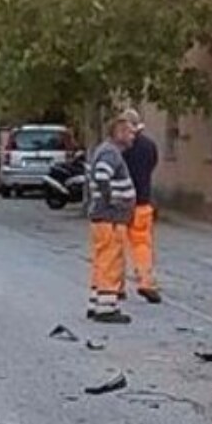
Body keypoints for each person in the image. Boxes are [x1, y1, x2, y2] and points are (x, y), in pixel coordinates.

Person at [87, 114, 137, 324]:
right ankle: (106, 308)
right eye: (129, 132)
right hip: (111, 218)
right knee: (111, 261)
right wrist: (114, 201)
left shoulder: (105, 150)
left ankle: (96, 301)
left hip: (103, 217)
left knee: (101, 261)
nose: (133, 136)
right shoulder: (110, 153)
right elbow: (101, 176)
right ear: (118, 133)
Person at [120, 109, 162, 304]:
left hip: (120, 202)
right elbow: (152, 165)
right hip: (142, 202)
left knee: (117, 245)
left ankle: (116, 285)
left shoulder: (120, 147)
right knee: (142, 244)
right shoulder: (149, 146)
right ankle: (146, 281)